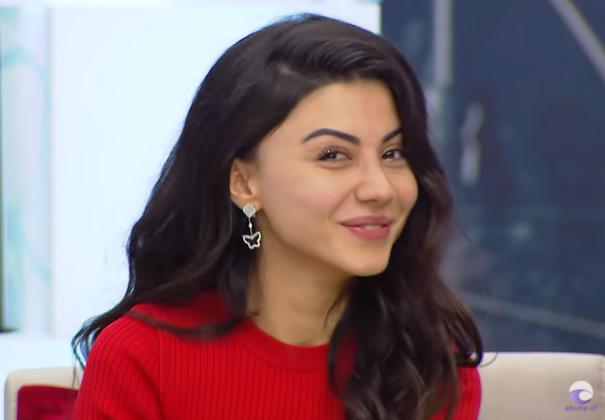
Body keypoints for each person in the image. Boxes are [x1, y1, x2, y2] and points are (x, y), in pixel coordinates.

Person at [72, 13, 483, 420]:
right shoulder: (143, 355)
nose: (380, 189)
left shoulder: (427, 364)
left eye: (393, 153)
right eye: (333, 155)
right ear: (243, 182)